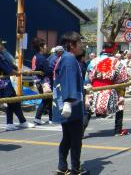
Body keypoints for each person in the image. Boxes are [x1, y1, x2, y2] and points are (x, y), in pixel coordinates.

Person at [52, 32, 88, 175]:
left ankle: (62, 167)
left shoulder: (64, 58)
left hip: (66, 104)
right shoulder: (70, 60)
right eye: (79, 43)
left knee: (67, 137)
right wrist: (68, 101)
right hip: (71, 105)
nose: (82, 45)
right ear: (72, 45)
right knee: (75, 138)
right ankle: (76, 169)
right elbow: (68, 81)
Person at [88, 43, 129, 136]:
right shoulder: (118, 62)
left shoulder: (94, 61)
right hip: (110, 89)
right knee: (120, 103)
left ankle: (81, 132)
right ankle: (118, 130)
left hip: (94, 89)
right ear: (114, 50)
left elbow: (89, 76)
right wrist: (121, 93)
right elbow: (122, 79)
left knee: (88, 109)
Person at [0, 39, 35, 131]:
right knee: (13, 101)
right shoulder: (0, 56)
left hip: (4, 82)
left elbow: (11, 66)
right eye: (1, 45)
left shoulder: (2, 55)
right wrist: (19, 73)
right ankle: (20, 122)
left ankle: (11, 123)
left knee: (13, 101)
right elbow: (9, 70)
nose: (3, 47)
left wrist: (21, 71)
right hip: (3, 83)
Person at [31, 37, 53, 125]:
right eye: (45, 46)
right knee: (47, 99)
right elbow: (47, 70)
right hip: (44, 82)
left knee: (47, 99)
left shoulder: (35, 56)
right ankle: (39, 117)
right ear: (41, 47)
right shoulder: (42, 58)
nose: (46, 47)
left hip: (37, 81)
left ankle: (42, 117)